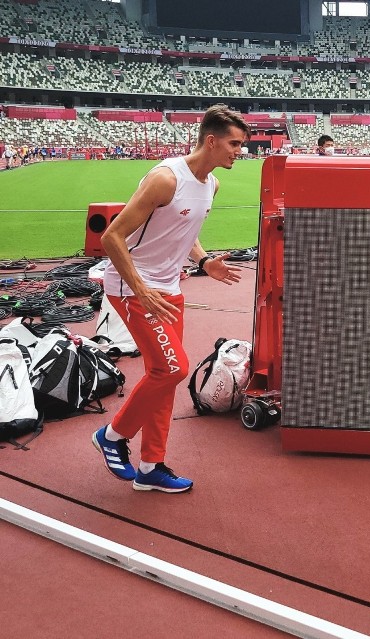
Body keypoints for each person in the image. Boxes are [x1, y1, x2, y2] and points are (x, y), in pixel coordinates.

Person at [93, 104, 249, 493]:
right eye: (234, 144)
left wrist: (204, 260)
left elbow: (185, 228)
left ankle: (150, 466)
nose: (239, 151)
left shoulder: (211, 184)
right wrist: (141, 289)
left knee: (161, 377)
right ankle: (112, 435)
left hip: (170, 290)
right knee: (172, 368)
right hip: (134, 288)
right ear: (210, 141)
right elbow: (110, 237)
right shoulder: (166, 178)